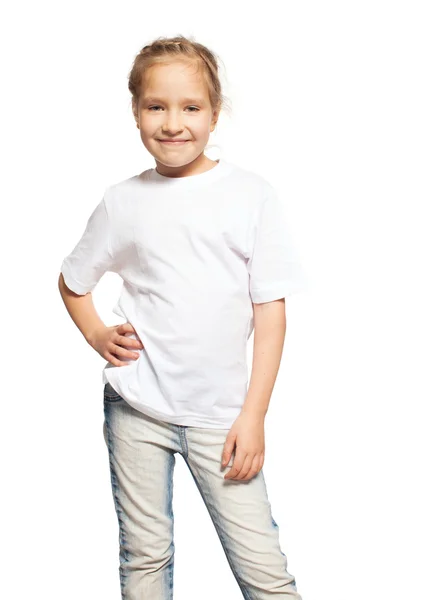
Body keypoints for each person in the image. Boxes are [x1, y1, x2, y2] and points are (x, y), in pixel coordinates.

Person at [58, 35, 306, 600]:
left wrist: (254, 416)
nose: (173, 123)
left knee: (264, 571)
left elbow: (271, 314)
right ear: (136, 112)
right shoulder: (122, 201)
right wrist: (97, 332)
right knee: (145, 558)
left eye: (190, 107)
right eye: (156, 106)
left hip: (222, 419)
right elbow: (73, 282)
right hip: (137, 408)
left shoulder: (250, 196)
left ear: (214, 113)